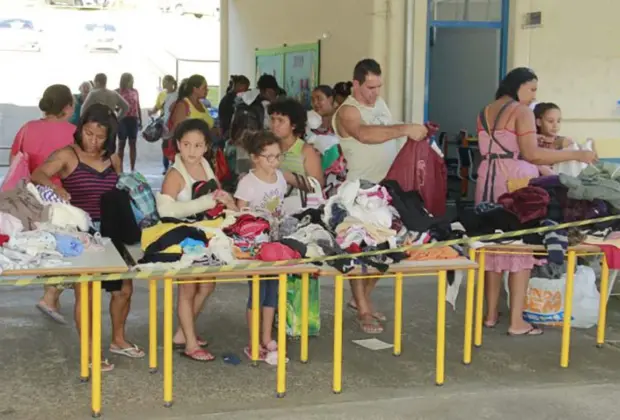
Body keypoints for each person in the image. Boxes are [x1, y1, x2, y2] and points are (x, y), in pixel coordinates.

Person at [475, 67, 597, 336]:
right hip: (516, 183)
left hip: (487, 179)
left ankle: (491, 314)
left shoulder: (486, 110)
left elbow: (505, 143)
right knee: (521, 247)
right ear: (517, 87)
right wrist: (575, 155)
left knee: (493, 244)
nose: (533, 97)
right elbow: (534, 156)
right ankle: (517, 321)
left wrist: (533, 141)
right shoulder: (521, 111)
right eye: (531, 89)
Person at [31, 104, 145, 371]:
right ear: (80, 129)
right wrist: (55, 188)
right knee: (87, 294)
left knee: (124, 290)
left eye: (100, 136)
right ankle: (90, 352)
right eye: (88, 133)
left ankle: (118, 340)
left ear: (110, 136)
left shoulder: (114, 159)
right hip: (81, 234)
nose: (93, 141)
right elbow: (38, 174)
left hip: (112, 231)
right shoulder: (67, 155)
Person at [332, 58, 428, 334]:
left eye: (378, 87)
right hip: (360, 190)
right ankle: (363, 308)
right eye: (369, 88)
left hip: (387, 188)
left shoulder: (381, 104)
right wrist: (404, 128)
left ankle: (359, 299)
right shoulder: (348, 110)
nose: (374, 93)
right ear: (356, 84)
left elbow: (388, 132)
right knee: (359, 250)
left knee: (389, 249)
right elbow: (363, 134)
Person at [158, 118, 236, 362]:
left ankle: (184, 332)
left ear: (205, 147)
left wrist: (227, 202)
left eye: (198, 145)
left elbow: (215, 193)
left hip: (206, 236)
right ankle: (191, 344)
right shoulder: (174, 174)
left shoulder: (205, 164)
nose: (192, 151)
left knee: (208, 285)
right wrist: (205, 203)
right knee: (187, 290)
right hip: (182, 238)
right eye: (187, 144)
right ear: (178, 145)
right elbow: (166, 211)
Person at [9, 84, 76, 324]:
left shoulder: (27, 128)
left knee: (42, 245)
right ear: (67, 107)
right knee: (65, 248)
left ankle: (52, 296)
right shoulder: (74, 132)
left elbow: (14, 161)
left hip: (28, 197)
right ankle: (50, 295)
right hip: (61, 198)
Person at [234, 130, 288, 360]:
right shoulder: (248, 182)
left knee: (272, 292)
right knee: (257, 293)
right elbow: (239, 214)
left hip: (275, 243)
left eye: (277, 156)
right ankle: (253, 341)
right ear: (255, 157)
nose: (274, 162)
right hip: (253, 246)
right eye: (269, 157)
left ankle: (267, 337)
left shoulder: (281, 179)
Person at [269, 97, 324, 188]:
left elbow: (318, 185)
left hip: (298, 201)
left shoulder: (306, 151)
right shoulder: (267, 148)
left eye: (280, 120)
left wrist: (290, 178)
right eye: (272, 119)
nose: (274, 125)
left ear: (294, 125)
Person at [149, 75, 178, 173]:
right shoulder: (162, 94)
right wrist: (151, 112)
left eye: (165, 81)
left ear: (171, 82)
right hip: (164, 123)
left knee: (174, 144)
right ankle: (165, 166)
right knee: (165, 144)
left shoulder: (177, 94)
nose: (163, 83)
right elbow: (157, 106)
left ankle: (174, 164)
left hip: (174, 122)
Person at [116, 73, 142, 172]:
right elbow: (114, 105)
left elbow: (138, 105)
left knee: (133, 144)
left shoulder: (135, 91)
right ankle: (120, 168)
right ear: (125, 80)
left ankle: (132, 168)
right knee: (121, 144)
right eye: (131, 79)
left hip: (133, 119)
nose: (132, 81)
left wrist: (140, 120)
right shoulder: (118, 91)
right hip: (122, 119)